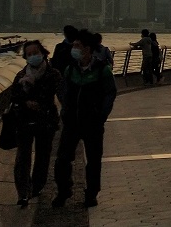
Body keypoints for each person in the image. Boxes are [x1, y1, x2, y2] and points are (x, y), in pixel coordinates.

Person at [53, 29, 117, 209]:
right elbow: (63, 90)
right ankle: (64, 191)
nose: (74, 48)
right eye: (73, 45)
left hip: (93, 123)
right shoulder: (70, 69)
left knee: (94, 160)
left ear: (87, 48)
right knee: (63, 159)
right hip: (71, 122)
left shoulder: (102, 69)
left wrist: (101, 115)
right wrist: (65, 110)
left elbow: (110, 93)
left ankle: (91, 194)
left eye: (77, 46)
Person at [11, 40, 62, 207]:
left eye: (36, 53)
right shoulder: (20, 76)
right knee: (22, 157)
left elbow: (58, 93)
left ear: (43, 53)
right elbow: (14, 97)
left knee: (43, 155)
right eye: (29, 54)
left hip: (45, 120)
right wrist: (26, 102)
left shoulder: (53, 74)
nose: (33, 56)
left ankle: (37, 186)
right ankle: (22, 193)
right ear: (25, 57)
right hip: (24, 120)